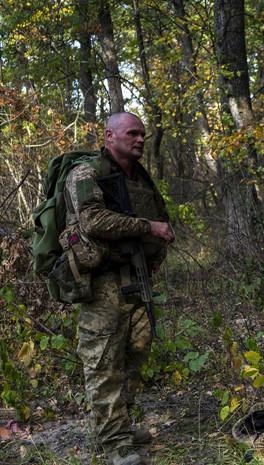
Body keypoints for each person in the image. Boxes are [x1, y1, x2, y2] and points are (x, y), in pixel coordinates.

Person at [64, 112, 175, 465]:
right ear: (110, 136)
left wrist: (157, 251)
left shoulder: (140, 177)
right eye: (132, 133)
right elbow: (92, 219)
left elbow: (160, 217)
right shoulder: (87, 172)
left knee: (135, 354)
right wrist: (148, 228)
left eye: (143, 134)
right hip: (103, 283)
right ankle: (114, 442)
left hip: (138, 278)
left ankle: (121, 425)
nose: (141, 139)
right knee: (103, 362)